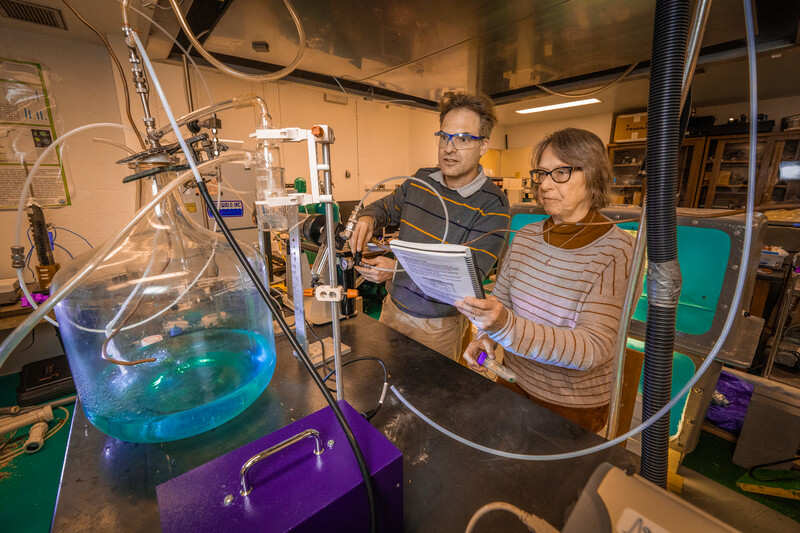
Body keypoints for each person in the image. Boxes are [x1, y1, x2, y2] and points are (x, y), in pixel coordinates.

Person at [454, 128, 635, 432]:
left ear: (593, 176)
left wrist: (505, 327)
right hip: (512, 383)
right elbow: (503, 304)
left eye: (561, 172)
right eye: (542, 173)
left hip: (570, 406)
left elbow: (593, 348)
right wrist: (486, 340)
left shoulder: (617, 250)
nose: (546, 185)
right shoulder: (525, 236)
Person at [349, 92, 510, 361]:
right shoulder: (421, 180)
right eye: (444, 137)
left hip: (437, 327)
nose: (449, 148)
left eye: (462, 139)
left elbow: (464, 282)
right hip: (392, 309)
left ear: (483, 146)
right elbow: (384, 207)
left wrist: (397, 270)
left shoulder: (493, 204)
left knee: (427, 400)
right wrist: (368, 218)